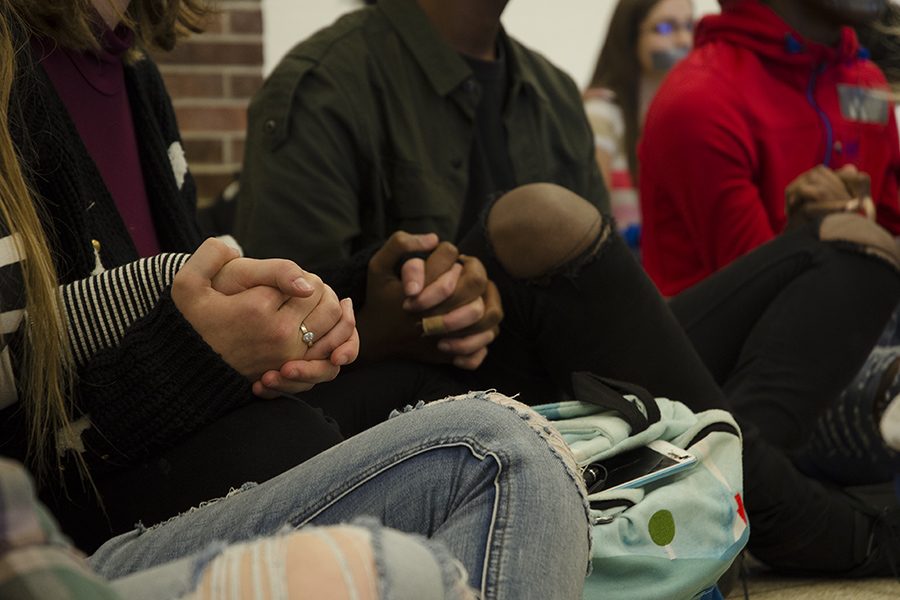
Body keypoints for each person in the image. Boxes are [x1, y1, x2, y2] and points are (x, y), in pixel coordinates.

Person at [235, 0, 900, 576]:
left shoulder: (550, 91)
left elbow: (605, 313)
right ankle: (795, 513)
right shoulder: (325, 83)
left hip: (574, 397)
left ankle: (730, 481)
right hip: (430, 419)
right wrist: (395, 320)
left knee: (852, 245)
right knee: (538, 222)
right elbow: (278, 361)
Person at [0, 7, 592, 598]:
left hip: (182, 470)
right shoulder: (325, 76)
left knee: (492, 416)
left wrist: (348, 297)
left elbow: (193, 309)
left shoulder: (131, 67)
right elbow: (88, 384)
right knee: (498, 452)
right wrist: (206, 348)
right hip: (74, 541)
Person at [639, 0, 900, 296]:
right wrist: (802, 237)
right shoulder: (702, 98)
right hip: (730, 336)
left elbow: (891, 234)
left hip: (852, 325)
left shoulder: (865, 82)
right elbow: (753, 297)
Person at [584, 0, 694, 248]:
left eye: (689, 26)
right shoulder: (600, 114)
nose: (683, 40)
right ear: (631, 35)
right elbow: (594, 218)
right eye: (665, 29)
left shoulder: (686, 113)